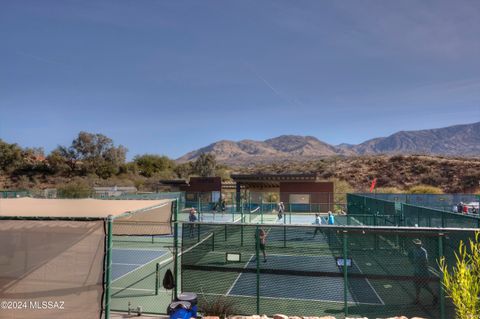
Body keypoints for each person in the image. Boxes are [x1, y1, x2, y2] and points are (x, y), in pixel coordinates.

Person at [408, 239, 438, 305]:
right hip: (416, 271)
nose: (416, 245)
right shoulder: (414, 250)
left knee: (425, 285)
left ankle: (434, 295)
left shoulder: (423, 251)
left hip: (423, 271)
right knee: (416, 285)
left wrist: (418, 263)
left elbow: (425, 261)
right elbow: (412, 258)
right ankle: (417, 299)